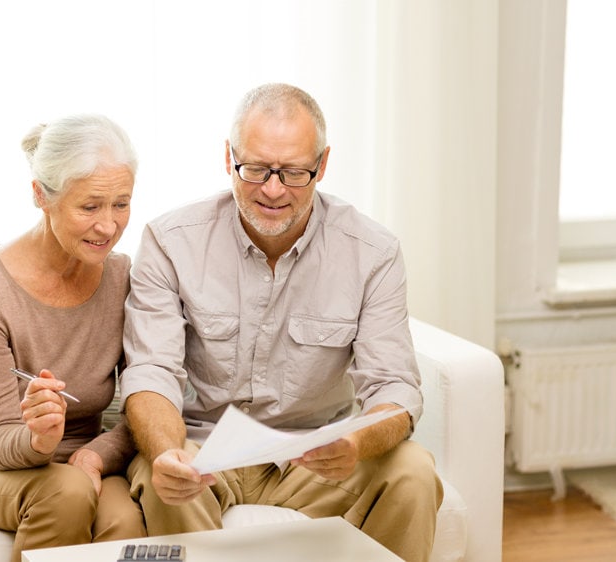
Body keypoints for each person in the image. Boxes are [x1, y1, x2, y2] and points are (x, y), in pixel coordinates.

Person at [120, 83, 443, 562]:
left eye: (294, 173)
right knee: (159, 475)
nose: (273, 190)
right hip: (204, 451)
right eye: (255, 169)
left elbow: (395, 388)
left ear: (323, 165)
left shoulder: (372, 252)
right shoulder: (171, 241)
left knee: (414, 470)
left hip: (316, 457)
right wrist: (169, 452)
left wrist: (353, 441)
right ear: (228, 157)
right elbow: (151, 373)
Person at [0, 114, 146, 562]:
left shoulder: (122, 277)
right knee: (68, 493)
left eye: (122, 203)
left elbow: (144, 405)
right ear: (41, 195)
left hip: (79, 462)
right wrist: (41, 438)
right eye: (90, 206)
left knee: (127, 522)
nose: (109, 226)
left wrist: (95, 456)